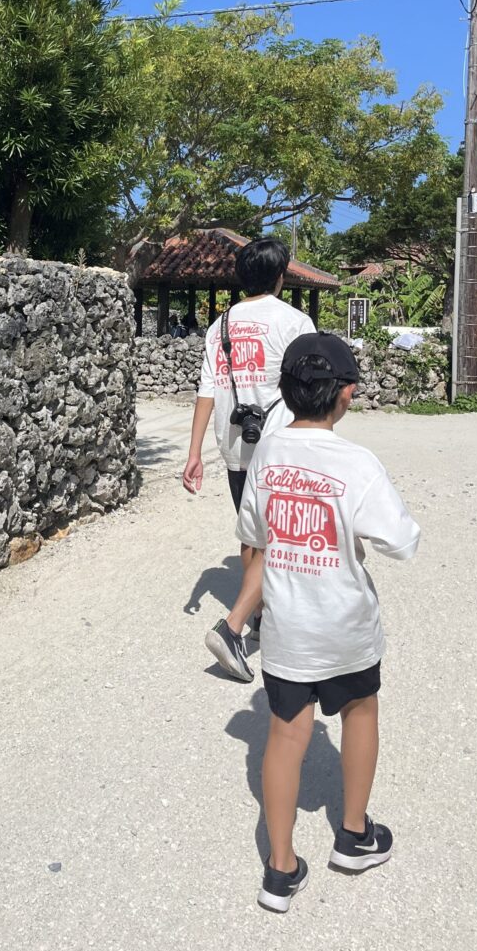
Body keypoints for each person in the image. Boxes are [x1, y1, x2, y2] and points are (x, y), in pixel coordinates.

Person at [221, 332, 420, 913]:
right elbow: (400, 541)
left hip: (286, 629)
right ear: (347, 394)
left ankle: (280, 870)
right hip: (346, 624)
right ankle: (353, 835)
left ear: (285, 392)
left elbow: (253, 534)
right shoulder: (356, 462)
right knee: (361, 712)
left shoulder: (268, 456)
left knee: (285, 736)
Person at [181, 237, 315, 677]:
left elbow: (206, 390)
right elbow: (311, 388)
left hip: (233, 443)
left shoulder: (218, 326)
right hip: (280, 443)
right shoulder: (296, 322)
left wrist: (194, 452)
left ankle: (260, 616)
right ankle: (236, 625)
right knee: (280, 534)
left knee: (251, 530)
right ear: (281, 276)